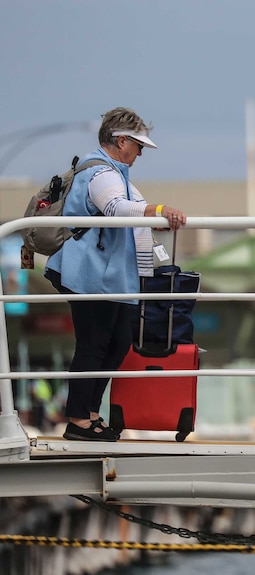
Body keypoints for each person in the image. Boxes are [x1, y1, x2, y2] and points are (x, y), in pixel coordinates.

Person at [45, 107, 187, 442]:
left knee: (116, 342)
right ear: (120, 140)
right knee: (95, 345)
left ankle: (90, 414)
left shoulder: (113, 173)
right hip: (90, 273)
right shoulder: (102, 173)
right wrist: (159, 210)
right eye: (137, 145)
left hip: (108, 277)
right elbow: (115, 208)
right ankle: (79, 419)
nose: (140, 153)